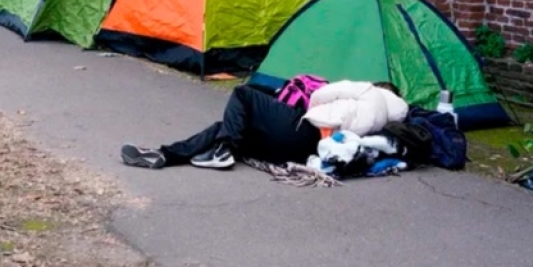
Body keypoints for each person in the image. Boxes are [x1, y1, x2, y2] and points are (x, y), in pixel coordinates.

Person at [121, 80, 404, 171]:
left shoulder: (367, 91)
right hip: (299, 152)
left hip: (305, 129)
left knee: (244, 93)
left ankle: (223, 150)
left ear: (382, 87)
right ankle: (165, 155)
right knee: (228, 125)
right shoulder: (389, 122)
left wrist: (312, 107)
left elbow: (320, 94)